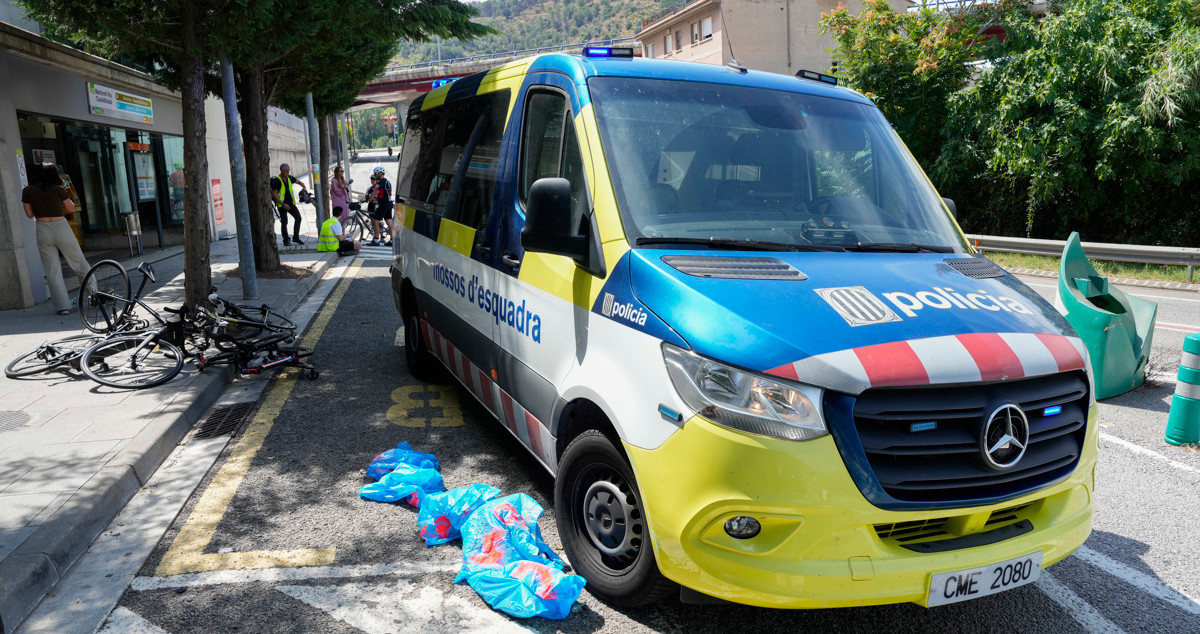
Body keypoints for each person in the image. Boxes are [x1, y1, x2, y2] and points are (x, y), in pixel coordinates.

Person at [22, 162, 91, 315]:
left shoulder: (27, 191)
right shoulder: (59, 189)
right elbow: (71, 207)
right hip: (61, 227)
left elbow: (29, 215)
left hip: (42, 228)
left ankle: (63, 307)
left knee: (52, 270)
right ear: (54, 174)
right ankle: (94, 296)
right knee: (79, 262)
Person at [270, 163, 309, 246]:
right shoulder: (277, 180)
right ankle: (286, 240)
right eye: (286, 171)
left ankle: (296, 237)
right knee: (284, 222)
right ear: (281, 170)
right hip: (282, 205)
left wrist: (303, 186)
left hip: (291, 204)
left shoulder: (289, 178)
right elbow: (274, 195)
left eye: (288, 171)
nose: (288, 173)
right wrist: (283, 204)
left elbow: (299, 182)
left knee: (298, 218)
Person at [366, 166, 393, 247]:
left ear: (380, 173)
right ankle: (392, 240)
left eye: (376, 173)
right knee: (389, 222)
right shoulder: (387, 181)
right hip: (389, 203)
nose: (375, 175)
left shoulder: (382, 182)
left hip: (383, 204)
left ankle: (376, 240)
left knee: (375, 221)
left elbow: (375, 192)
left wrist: (369, 199)